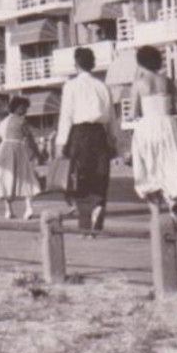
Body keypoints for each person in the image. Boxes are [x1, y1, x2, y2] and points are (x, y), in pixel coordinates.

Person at [55, 45, 117, 233]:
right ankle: (98, 206)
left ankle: (85, 225)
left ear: (76, 65)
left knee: (80, 177)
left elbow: (66, 115)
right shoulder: (102, 86)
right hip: (100, 133)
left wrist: (60, 143)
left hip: (79, 134)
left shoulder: (71, 86)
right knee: (100, 175)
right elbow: (112, 116)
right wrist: (113, 141)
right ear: (93, 65)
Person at [129, 44, 177, 223]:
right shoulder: (167, 81)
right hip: (168, 125)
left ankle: (156, 216)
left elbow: (134, 113)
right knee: (169, 165)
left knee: (148, 168)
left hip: (147, 126)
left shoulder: (139, 84)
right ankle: (171, 200)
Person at [0, 96, 42, 220]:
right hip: (17, 149)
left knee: (6, 178)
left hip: (4, 151)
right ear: (16, 108)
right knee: (26, 177)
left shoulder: (3, 122)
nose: (25, 110)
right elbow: (30, 139)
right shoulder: (21, 121)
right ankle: (28, 208)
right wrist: (38, 154)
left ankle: (9, 211)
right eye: (23, 108)